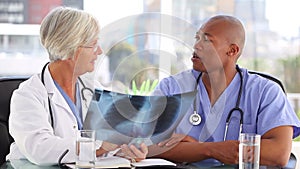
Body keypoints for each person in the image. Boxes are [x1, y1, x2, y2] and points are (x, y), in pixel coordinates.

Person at [153, 15, 300, 168]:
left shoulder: (266, 92)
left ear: (232, 50)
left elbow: (279, 153)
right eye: (197, 38)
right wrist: (211, 149)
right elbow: (149, 146)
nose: (196, 46)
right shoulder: (171, 87)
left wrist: (193, 149)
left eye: (207, 40)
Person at [6, 6, 147, 166]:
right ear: (70, 48)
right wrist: (99, 148)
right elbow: (40, 149)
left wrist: (127, 149)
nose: (99, 51)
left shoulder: (93, 89)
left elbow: (109, 141)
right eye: (93, 45)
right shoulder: (28, 95)